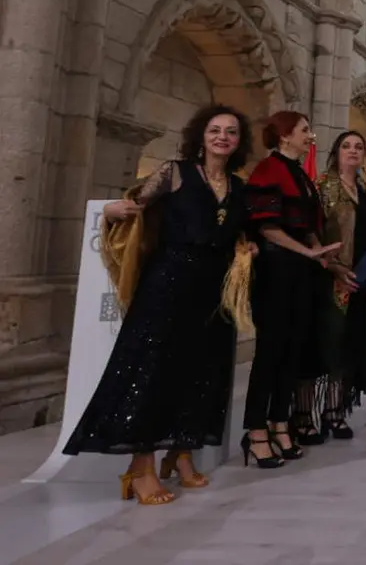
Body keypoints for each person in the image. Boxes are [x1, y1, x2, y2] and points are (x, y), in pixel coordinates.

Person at [63, 105, 255, 504]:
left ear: (239, 141)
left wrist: (247, 246)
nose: (222, 137)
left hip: (212, 291)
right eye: (215, 130)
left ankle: (181, 455)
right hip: (168, 284)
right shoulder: (176, 171)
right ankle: (140, 466)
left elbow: (234, 232)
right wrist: (110, 210)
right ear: (201, 136)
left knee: (201, 373)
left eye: (231, 132)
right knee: (152, 372)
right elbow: (135, 206)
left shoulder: (240, 187)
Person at [243, 111, 337, 465]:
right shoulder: (270, 169)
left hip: (300, 269)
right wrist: (309, 251)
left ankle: (279, 422)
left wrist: (322, 254)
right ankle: (255, 429)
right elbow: (267, 227)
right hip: (276, 268)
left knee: (292, 350)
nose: (310, 136)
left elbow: (307, 224)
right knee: (270, 352)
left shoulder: (300, 173)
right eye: (304, 130)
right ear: (284, 136)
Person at [315, 131, 366, 435]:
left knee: (361, 342)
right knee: (336, 342)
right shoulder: (323, 186)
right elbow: (314, 233)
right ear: (336, 152)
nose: (353, 151)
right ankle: (330, 410)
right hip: (339, 277)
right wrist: (333, 266)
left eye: (359, 147)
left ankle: (341, 405)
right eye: (346, 146)